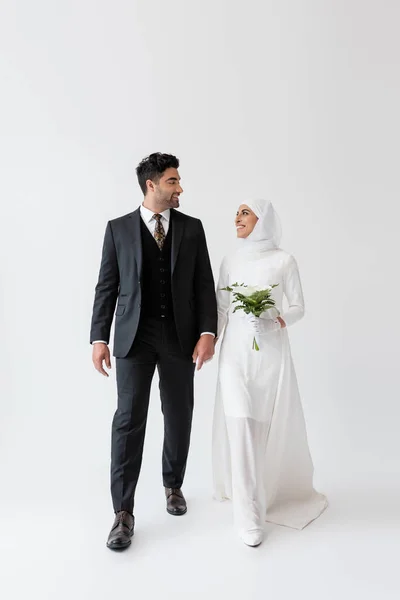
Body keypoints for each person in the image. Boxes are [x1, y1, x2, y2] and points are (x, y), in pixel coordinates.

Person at [90, 152, 217, 550]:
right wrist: (98, 338)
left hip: (180, 337)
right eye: (173, 181)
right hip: (133, 339)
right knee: (128, 421)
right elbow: (106, 286)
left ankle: (172, 485)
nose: (180, 188)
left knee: (179, 412)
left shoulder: (193, 229)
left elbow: (203, 285)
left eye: (178, 181)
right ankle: (123, 513)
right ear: (152, 185)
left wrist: (208, 332)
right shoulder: (118, 229)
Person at [212, 199, 327, 547]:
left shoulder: (283, 260)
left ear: (263, 220)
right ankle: (247, 517)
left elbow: (298, 306)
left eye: (245, 212)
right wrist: (207, 342)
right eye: (236, 212)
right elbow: (220, 308)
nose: (237, 217)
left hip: (269, 353)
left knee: (258, 426)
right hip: (234, 353)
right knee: (240, 420)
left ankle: (262, 491)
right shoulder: (230, 260)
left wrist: (275, 319)